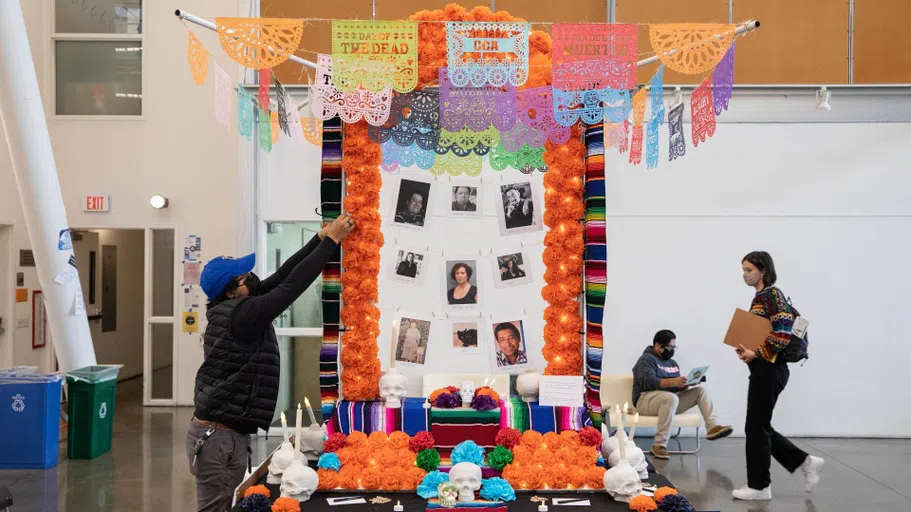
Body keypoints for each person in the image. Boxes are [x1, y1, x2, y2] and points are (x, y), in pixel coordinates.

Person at [186, 213, 355, 512]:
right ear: (231, 290)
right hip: (218, 438)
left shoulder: (235, 306)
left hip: (226, 434)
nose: (250, 278)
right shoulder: (242, 315)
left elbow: (281, 275)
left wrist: (317, 240)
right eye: (243, 277)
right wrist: (332, 242)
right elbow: (290, 288)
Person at [732, 251, 824, 501]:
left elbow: (782, 334)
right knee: (759, 426)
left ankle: (760, 487)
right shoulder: (760, 297)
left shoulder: (772, 294)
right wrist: (748, 352)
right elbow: (765, 333)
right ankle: (805, 462)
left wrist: (757, 352)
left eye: (749, 270)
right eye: (743, 270)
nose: (744, 274)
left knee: (756, 427)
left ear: (763, 270)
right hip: (765, 368)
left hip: (771, 369)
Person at [632, 330, 734, 459]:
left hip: (668, 401)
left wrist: (686, 384)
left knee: (700, 391)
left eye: (674, 347)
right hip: (645, 400)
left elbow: (674, 388)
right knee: (670, 398)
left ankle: (712, 427)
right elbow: (647, 382)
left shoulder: (672, 364)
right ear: (658, 345)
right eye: (670, 347)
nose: (672, 350)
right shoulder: (646, 359)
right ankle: (659, 445)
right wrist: (673, 381)